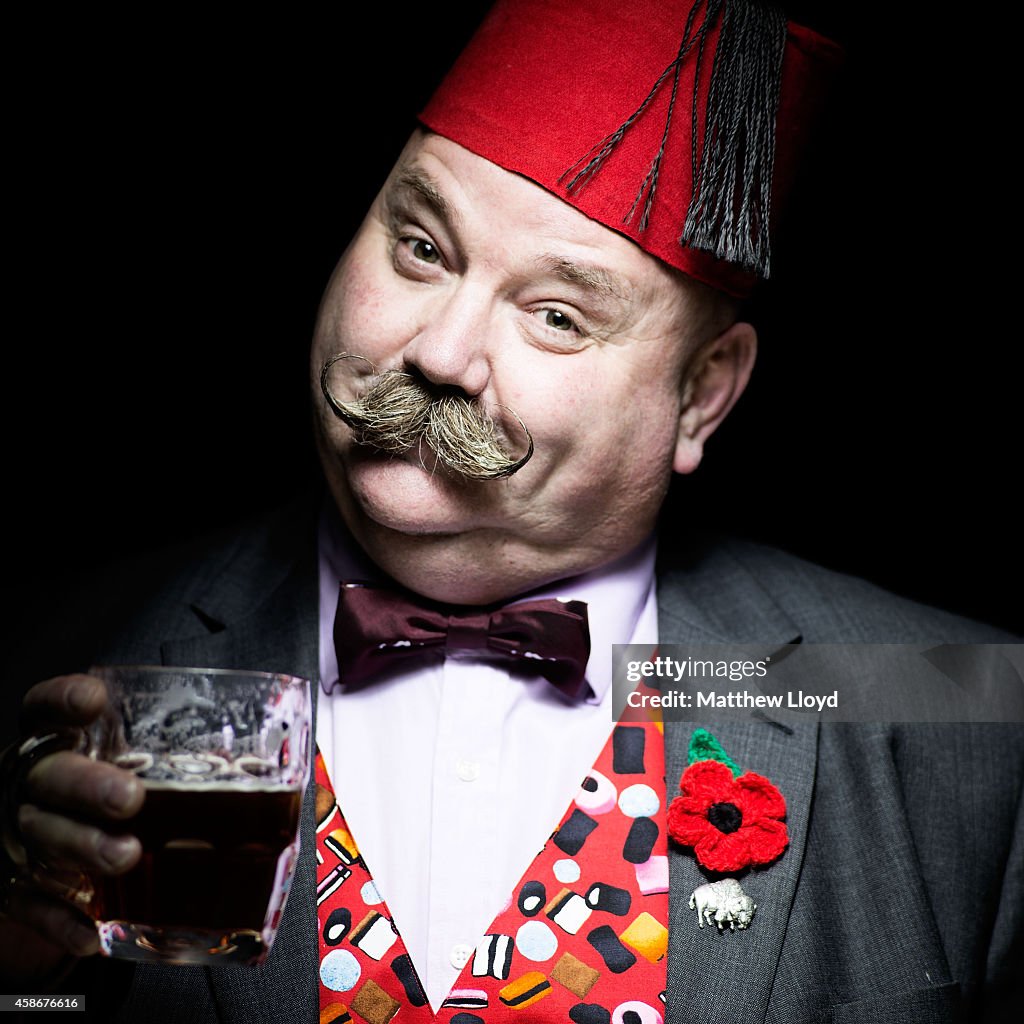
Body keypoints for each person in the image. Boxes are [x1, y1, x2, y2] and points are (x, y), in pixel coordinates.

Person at [1, 1, 1020, 1022]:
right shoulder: (47, 655)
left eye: (555, 315)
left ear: (702, 393)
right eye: (422, 248)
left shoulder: (967, 715)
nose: (439, 353)